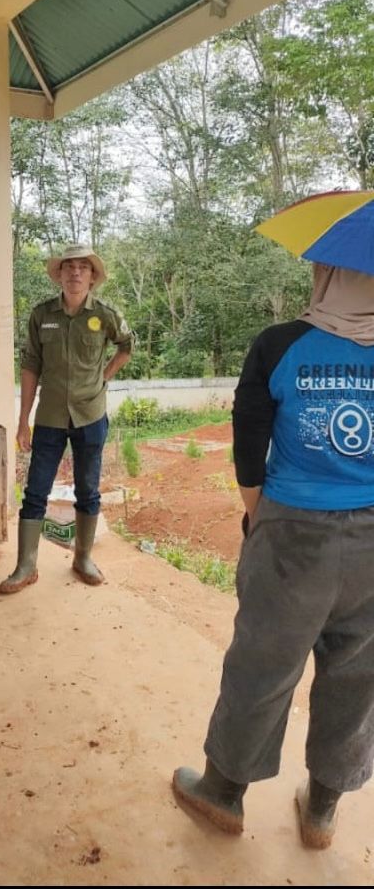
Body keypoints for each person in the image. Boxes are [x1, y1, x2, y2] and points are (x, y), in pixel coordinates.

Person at [172, 262, 374, 850]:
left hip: (293, 532)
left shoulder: (281, 344)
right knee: (358, 674)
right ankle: (322, 810)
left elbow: (248, 441)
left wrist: (259, 512)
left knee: (262, 664)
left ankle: (223, 794)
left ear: (328, 274)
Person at [0, 244, 133, 595]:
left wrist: (104, 376)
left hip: (90, 414)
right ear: (59, 274)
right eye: (68, 267)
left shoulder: (105, 315)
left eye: (82, 268)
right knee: (35, 491)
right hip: (51, 417)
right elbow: (30, 366)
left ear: (92, 276)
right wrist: (23, 419)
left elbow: (126, 346)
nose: (75, 273)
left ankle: (82, 558)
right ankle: (26, 566)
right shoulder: (42, 315)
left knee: (88, 490)